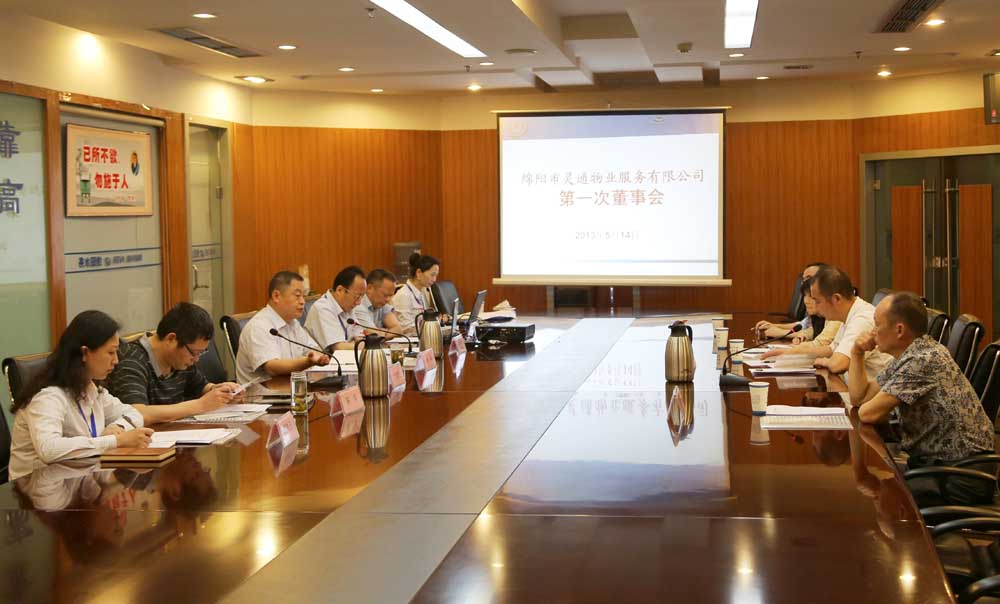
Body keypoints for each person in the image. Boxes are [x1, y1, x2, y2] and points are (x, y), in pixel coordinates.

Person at [849, 291, 996, 504]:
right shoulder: (912, 353)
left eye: (877, 325)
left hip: (961, 476)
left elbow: (867, 413)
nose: (872, 332)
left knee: (877, 500)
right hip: (942, 466)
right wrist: (856, 353)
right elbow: (859, 397)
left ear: (899, 330)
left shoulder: (923, 360)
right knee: (877, 494)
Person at [8, 310, 153, 481]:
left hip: (78, 478)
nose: (116, 360)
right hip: (34, 488)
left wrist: (118, 428)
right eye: (110, 352)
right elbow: (49, 449)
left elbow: (134, 414)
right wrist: (115, 440)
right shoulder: (48, 396)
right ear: (85, 353)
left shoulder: (91, 388)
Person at [107, 302, 240, 424]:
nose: (196, 359)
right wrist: (201, 405)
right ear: (171, 339)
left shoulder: (179, 360)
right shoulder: (131, 361)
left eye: (201, 353)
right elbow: (137, 414)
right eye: (194, 352)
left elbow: (201, 387)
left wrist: (220, 391)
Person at [236, 270, 330, 383]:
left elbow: (313, 350)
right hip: (262, 392)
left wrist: (319, 358)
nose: (302, 301)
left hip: (291, 388)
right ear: (276, 296)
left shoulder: (292, 322)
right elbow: (272, 368)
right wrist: (308, 361)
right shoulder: (258, 326)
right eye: (297, 296)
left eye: (303, 296)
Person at [809, 266, 892, 378]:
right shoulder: (849, 314)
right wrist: (791, 355)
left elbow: (838, 365)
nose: (816, 307)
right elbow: (831, 349)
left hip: (871, 389)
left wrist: (823, 361)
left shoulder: (862, 319)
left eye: (817, 301)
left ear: (836, 299)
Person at [761, 277, 841, 359]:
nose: (806, 301)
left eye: (812, 297)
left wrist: (792, 350)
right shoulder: (820, 318)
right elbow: (813, 331)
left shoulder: (836, 317)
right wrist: (802, 336)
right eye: (805, 296)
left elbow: (820, 344)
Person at [755, 261, 829, 339]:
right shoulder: (816, 313)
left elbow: (821, 337)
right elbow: (804, 326)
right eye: (803, 279)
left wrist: (780, 333)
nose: (804, 282)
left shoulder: (831, 313)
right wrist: (774, 326)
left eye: (809, 278)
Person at [304, 265, 367, 350]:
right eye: (357, 297)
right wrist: (355, 344)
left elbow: (360, 338)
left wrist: (354, 344)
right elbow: (339, 348)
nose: (359, 303)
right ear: (340, 290)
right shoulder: (322, 308)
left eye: (361, 297)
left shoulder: (348, 307)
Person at [391, 253, 450, 335]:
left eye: (436, 276)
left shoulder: (421, 292)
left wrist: (437, 319)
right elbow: (406, 329)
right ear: (419, 273)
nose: (434, 279)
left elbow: (423, 319)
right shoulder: (404, 295)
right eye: (432, 275)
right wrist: (435, 323)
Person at [354, 268, 403, 334]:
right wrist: (385, 332)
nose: (388, 300)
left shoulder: (382, 304)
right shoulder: (357, 305)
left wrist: (381, 332)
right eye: (385, 295)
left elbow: (398, 330)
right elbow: (373, 334)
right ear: (369, 288)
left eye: (390, 296)